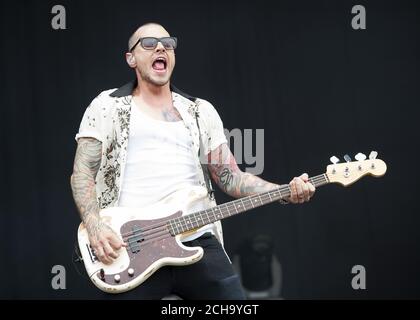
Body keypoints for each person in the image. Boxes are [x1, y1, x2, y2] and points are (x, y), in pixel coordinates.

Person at [70, 22, 315, 300]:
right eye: (149, 43)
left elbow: (231, 178)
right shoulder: (107, 106)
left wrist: (283, 190)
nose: (161, 47)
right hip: (132, 246)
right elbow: (82, 175)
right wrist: (95, 225)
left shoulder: (200, 112)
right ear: (131, 58)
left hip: (195, 238)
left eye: (168, 43)